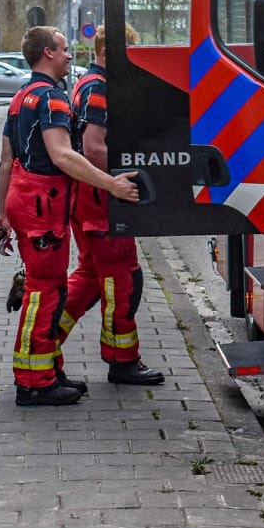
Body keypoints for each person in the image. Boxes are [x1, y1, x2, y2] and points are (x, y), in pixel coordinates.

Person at [0, 26, 140, 407]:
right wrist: (111, 184)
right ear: (47, 53)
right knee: (44, 293)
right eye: (63, 48)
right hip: (45, 204)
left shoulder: (20, 98)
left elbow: (7, 161)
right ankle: (34, 382)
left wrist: (3, 214)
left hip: (25, 202)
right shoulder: (52, 99)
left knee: (49, 290)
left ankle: (47, 370)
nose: (70, 54)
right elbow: (63, 155)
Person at [59, 24, 165, 387]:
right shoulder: (100, 88)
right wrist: (124, 180)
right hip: (100, 199)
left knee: (91, 277)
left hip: (87, 195)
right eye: (127, 56)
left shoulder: (88, 84)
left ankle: (43, 346)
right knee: (123, 278)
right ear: (108, 54)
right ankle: (123, 361)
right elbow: (94, 147)